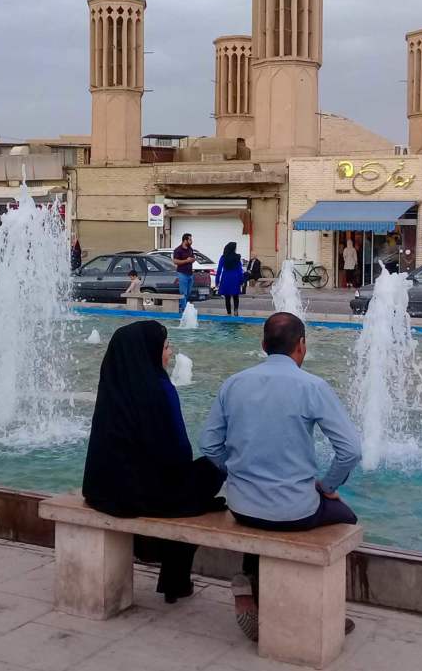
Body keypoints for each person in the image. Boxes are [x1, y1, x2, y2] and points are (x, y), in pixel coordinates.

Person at [201, 312, 361, 641]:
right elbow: (351, 451)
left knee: (261, 519)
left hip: (241, 506)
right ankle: (321, 611)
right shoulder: (313, 386)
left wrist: (237, 473)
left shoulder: (233, 383)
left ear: (263, 345)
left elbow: (208, 446)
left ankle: (250, 583)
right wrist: (327, 486)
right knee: (346, 518)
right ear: (301, 346)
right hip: (295, 510)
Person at [83, 321, 226, 603]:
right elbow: (178, 452)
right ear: (149, 351)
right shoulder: (160, 388)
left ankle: (173, 578)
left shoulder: (113, 381)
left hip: (105, 490)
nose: (170, 353)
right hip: (146, 494)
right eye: (166, 346)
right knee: (211, 471)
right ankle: (175, 579)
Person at [215, 241, 245, 316]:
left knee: (227, 297)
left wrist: (217, 281)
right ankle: (236, 311)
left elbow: (219, 270)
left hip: (226, 278)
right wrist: (241, 280)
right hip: (235, 278)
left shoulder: (223, 257)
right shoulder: (237, 258)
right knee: (235, 296)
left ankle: (228, 313)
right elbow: (240, 270)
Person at [171, 233, 196, 313]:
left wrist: (193, 259)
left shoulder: (190, 249)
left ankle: (181, 306)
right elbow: (175, 261)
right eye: (190, 240)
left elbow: (192, 258)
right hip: (182, 274)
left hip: (190, 274)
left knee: (188, 293)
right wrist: (186, 260)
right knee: (183, 293)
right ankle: (184, 310)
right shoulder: (178, 250)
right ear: (185, 240)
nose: (191, 241)